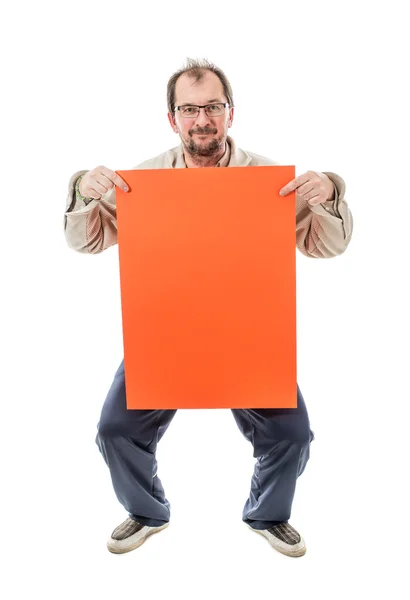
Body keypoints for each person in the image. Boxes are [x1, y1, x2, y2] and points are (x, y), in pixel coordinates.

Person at [64, 58, 353, 558]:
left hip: (249, 336)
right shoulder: (142, 181)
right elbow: (85, 243)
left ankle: (267, 514)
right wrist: (82, 191)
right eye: (190, 109)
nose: (203, 120)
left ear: (231, 113)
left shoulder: (269, 180)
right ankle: (146, 511)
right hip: (165, 334)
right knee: (114, 430)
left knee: (293, 434)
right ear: (172, 118)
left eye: (214, 107)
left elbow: (326, 247)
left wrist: (331, 191)